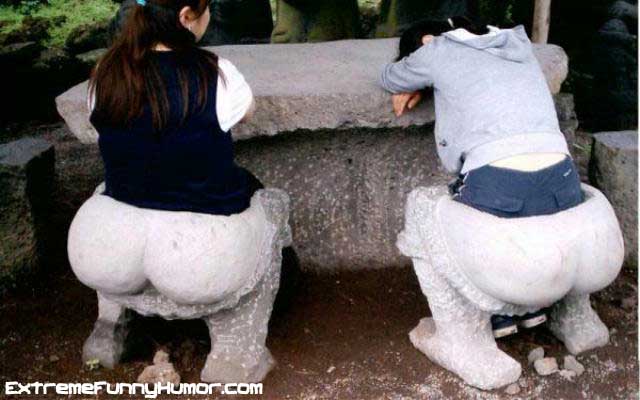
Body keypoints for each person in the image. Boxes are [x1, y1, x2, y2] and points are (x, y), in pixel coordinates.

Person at [380, 17, 583, 338]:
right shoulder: (516, 43)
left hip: (502, 184)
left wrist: (416, 79)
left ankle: (493, 313)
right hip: (565, 181)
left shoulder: (437, 50)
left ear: (426, 41)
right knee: (520, 213)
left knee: (427, 210)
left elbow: (390, 77)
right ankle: (533, 305)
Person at [89, 0, 263, 217]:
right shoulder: (216, 70)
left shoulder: (105, 68)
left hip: (126, 195)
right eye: (206, 7)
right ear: (186, 16)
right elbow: (247, 111)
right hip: (208, 205)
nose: (208, 14)